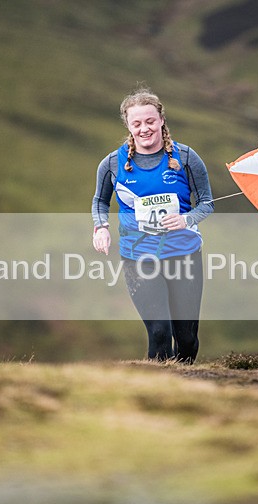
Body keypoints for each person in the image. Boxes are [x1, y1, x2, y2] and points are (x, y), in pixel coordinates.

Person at [91, 86, 214, 364]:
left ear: (161, 121)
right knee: (159, 332)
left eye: (149, 121)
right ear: (128, 126)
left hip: (184, 254)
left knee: (186, 337)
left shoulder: (185, 158)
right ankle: (160, 391)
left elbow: (207, 202)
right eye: (137, 123)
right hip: (139, 256)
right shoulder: (112, 163)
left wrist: (186, 219)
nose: (144, 129)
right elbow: (100, 201)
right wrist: (101, 228)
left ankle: (184, 386)